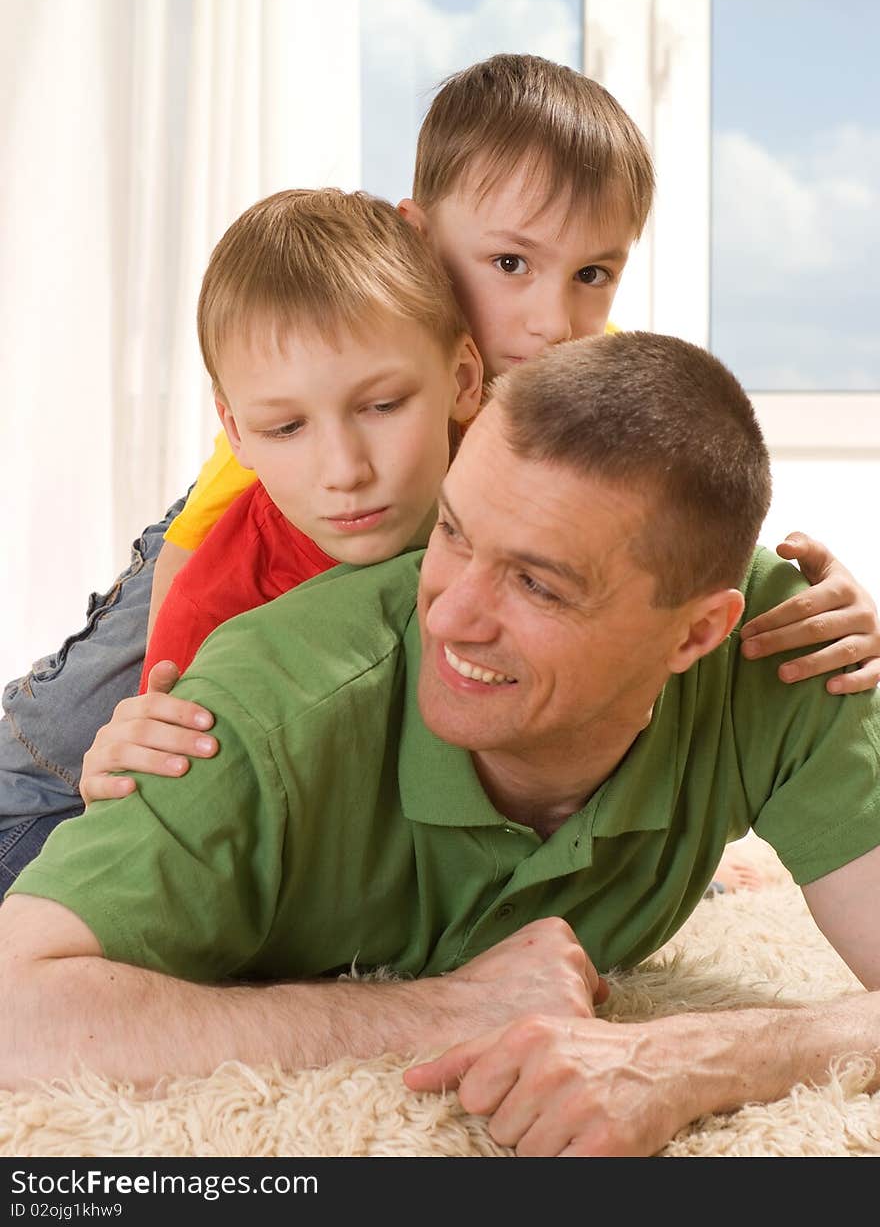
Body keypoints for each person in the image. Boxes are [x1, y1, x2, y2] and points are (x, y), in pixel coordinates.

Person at [1, 54, 877, 891]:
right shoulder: (342, 379)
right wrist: (166, 701)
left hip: (379, 555)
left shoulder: (577, 374)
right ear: (418, 235)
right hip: (216, 558)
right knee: (73, 779)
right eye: (509, 265)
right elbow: (203, 551)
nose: (552, 319)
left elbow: (656, 520)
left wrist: (802, 594)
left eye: (592, 275)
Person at [2, 332, 878, 1161]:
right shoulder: (262, 711)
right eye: (451, 532)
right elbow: (15, 1008)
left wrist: (694, 1056)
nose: (451, 614)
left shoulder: (792, 644)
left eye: (537, 582)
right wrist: (440, 1010)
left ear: (697, 634)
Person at [133, 185, 482, 687]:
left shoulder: (531, 484)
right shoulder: (210, 617)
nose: (345, 471)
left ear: (464, 380)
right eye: (286, 428)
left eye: (383, 406)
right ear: (236, 432)